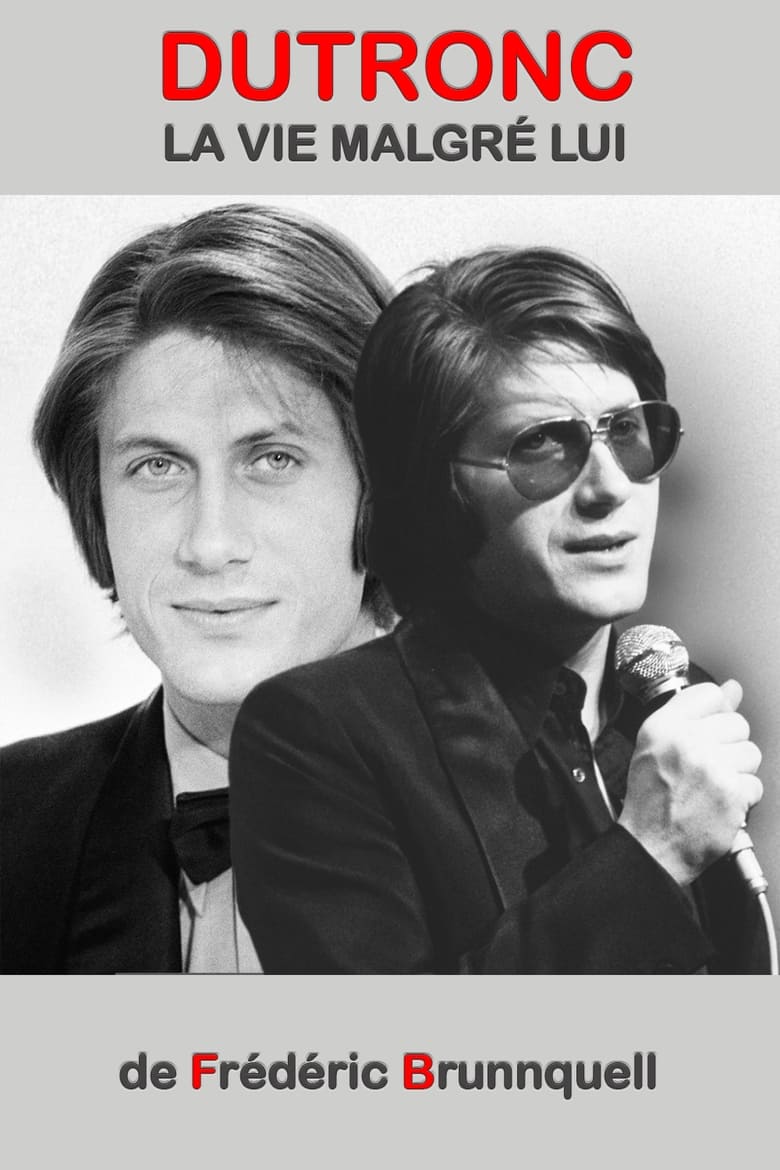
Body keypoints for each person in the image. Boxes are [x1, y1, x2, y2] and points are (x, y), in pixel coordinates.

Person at [230, 245, 766, 974]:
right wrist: (652, 852)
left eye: (628, 432)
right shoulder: (317, 733)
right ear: (435, 492)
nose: (610, 488)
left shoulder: (678, 704)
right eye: (543, 444)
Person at [0, 203, 392, 974]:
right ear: (96, 508)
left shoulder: (591, 825)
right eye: (157, 467)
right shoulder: (12, 834)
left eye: (272, 460)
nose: (210, 544)